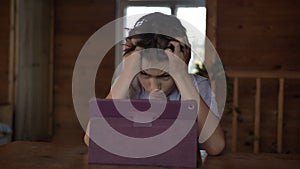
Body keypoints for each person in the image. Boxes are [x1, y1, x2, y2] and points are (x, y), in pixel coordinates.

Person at [85, 12, 225, 156]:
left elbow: (216, 146)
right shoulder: (129, 83)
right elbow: (92, 139)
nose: (154, 87)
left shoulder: (197, 86)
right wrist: (127, 73)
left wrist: (182, 76)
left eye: (165, 76)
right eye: (145, 74)